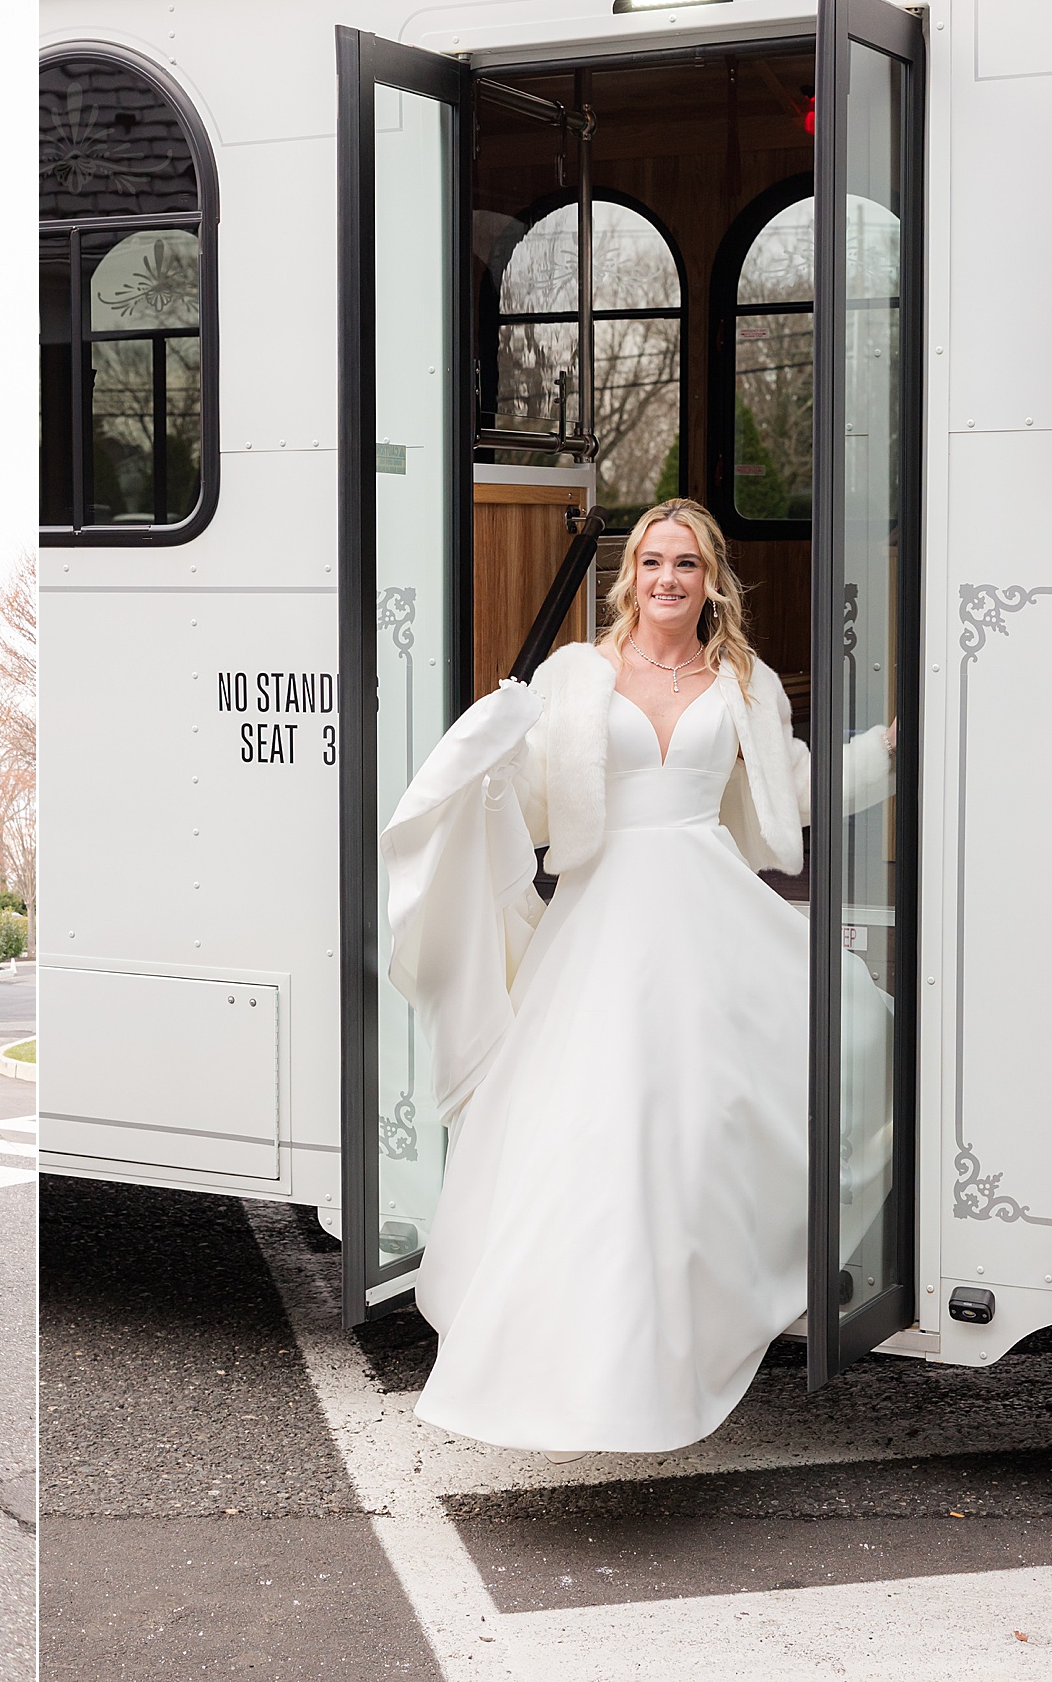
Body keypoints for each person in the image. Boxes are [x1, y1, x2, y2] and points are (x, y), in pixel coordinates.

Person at [379, 498, 890, 1456]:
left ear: (711, 580)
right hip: (600, 916)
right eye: (652, 561)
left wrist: (889, 753)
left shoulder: (741, 679)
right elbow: (531, 802)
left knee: (719, 1122)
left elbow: (794, 790)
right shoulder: (577, 677)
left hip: (708, 911)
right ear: (629, 576)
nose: (667, 578)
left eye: (686, 564)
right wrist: (488, 760)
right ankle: (563, 1373)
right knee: (589, 1136)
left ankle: (676, 1350)